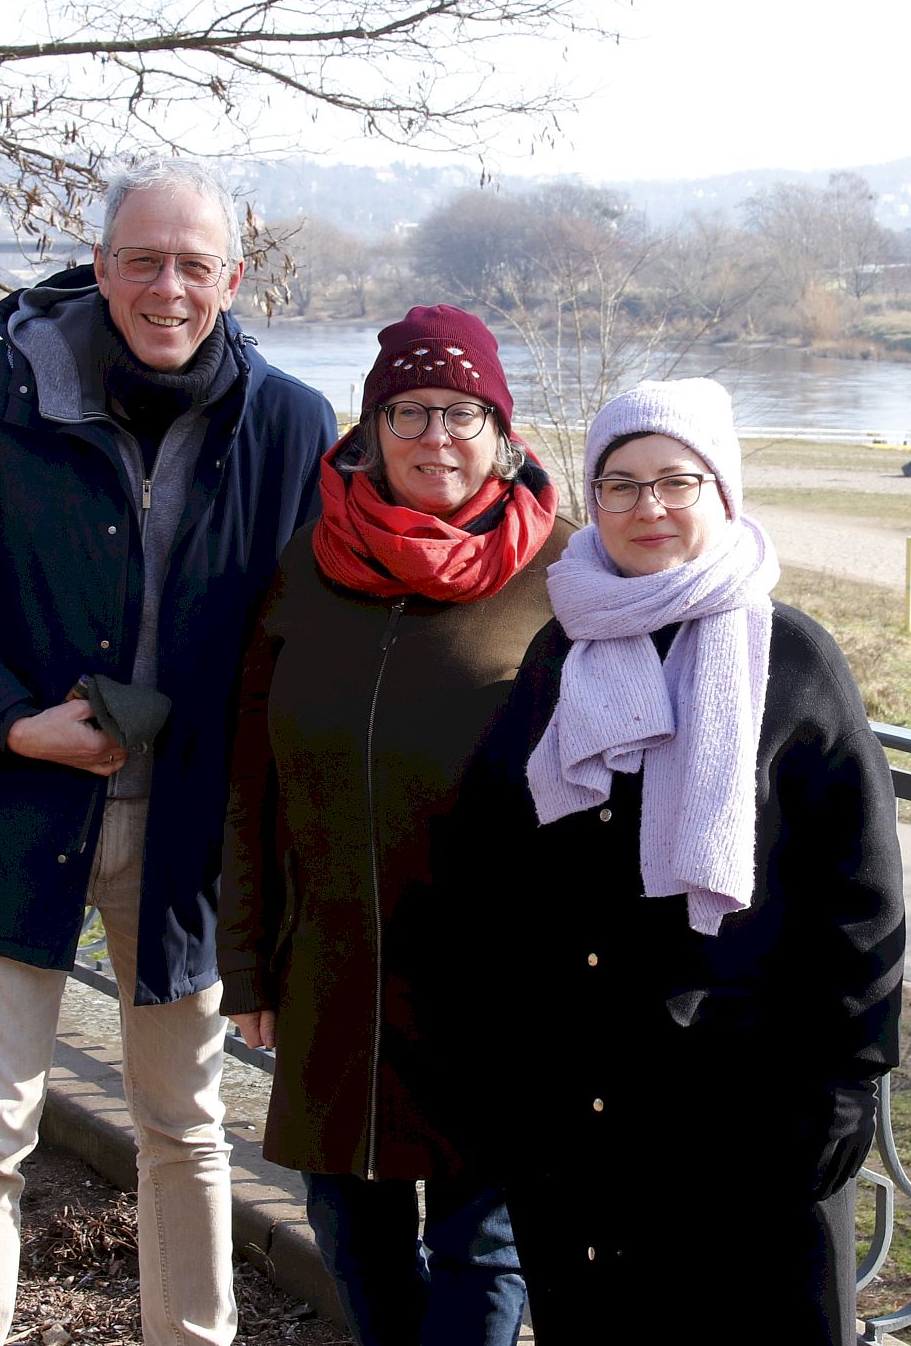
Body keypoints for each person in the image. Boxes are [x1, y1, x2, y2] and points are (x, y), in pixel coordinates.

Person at [0, 157, 336, 1346]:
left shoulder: (288, 422)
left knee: (185, 1124)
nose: (165, 288)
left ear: (233, 278)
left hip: (190, 833)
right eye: (142, 261)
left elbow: (308, 647)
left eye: (193, 265)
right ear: (100, 267)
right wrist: (14, 721)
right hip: (18, 807)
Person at [446, 378, 906, 1344]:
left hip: (752, 1116)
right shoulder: (557, 653)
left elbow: (860, 904)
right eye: (620, 484)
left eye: (675, 481)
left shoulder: (794, 661)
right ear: (594, 498)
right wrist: (504, 1067)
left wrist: (844, 1090)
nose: (648, 507)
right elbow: (494, 866)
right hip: (584, 1121)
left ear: (720, 490)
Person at [216, 306, 565, 1346]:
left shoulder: (570, 580)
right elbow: (252, 783)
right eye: (407, 411)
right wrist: (249, 967)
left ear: (502, 431)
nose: (435, 437)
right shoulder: (307, 569)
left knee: (482, 1245)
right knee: (351, 1228)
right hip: (334, 966)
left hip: (496, 982)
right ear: (369, 431)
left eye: (463, 412)